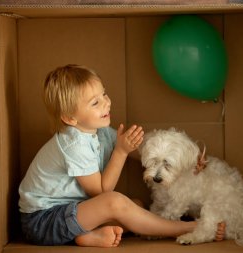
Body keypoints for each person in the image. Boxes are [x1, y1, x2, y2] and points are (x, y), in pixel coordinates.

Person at [18, 64, 225, 248]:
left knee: (136, 206)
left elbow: (137, 148)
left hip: (74, 213)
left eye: (104, 95)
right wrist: (120, 151)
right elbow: (101, 192)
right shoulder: (73, 144)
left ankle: (84, 236)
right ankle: (183, 228)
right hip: (43, 221)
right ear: (70, 118)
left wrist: (186, 160)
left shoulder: (98, 130)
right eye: (95, 103)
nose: (106, 103)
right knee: (115, 202)